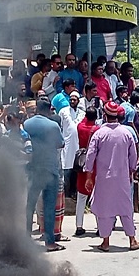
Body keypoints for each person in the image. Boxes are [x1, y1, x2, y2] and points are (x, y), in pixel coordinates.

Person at [84, 102, 139, 252]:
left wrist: (89, 176)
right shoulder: (126, 133)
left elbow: (90, 156)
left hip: (104, 178)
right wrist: (132, 171)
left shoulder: (99, 133)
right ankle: (132, 240)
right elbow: (133, 155)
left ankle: (105, 242)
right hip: (122, 178)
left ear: (104, 115)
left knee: (104, 209)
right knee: (126, 208)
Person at [24, 98, 66, 252]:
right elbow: (60, 144)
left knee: (29, 205)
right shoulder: (53, 125)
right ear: (49, 109)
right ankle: (50, 242)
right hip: (50, 170)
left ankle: (26, 239)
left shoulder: (27, 124)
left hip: (33, 169)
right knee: (49, 207)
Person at [74, 108, 99, 236]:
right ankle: (100, 226)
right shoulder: (97, 130)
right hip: (94, 165)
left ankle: (79, 226)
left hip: (82, 163)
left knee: (81, 197)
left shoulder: (80, 127)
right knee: (97, 197)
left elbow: (83, 122)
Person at [59, 90, 84, 198]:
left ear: (78, 101)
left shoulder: (82, 113)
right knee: (66, 169)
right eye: (71, 99)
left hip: (78, 144)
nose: (72, 101)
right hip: (66, 144)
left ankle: (73, 192)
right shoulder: (63, 111)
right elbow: (59, 127)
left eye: (74, 99)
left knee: (75, 169)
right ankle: (66, 193)